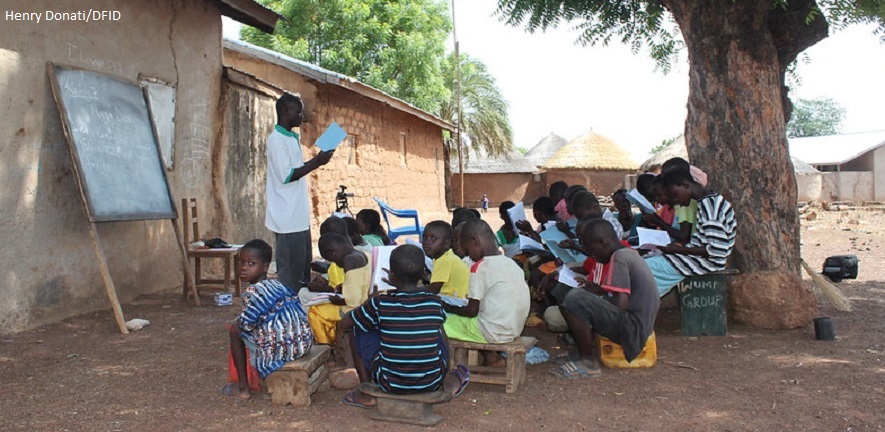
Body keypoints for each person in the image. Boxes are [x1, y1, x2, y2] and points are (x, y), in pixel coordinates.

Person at [339, 245, 470, 407]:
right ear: (423, 273)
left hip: (389, 382)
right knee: (437, 327)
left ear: (391, 275)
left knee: (357, 326)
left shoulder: (380, 303)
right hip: (431, 381)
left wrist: (368, 302)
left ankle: (366, 392)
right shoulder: (434, 302)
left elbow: (344, 324)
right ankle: (445, 379)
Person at [550, 219, 659, 378]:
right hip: (634, 322)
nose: (593, 256)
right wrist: (597, 292)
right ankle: (579, 350)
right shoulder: (627, 254)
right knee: (570, 293)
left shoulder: (620, 257)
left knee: (576, 298)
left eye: (593, 252)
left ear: (604, 243)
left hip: (633, 329)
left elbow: (619, 305)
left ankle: (588, 362)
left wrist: (595, 298)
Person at [222, 239, 313, 399]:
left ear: (264, 267)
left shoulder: (254, 292)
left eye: (251, 263)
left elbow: (246, 323)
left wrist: (240, 322)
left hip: (284, 350)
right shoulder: (277, 285)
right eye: (241, 262)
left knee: (235, 331)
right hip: (302, 344)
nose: (244, 267)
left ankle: (243, 388)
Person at [265, 94, 334, 292]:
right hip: (287, 217)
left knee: (302, 269)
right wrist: (316, 162)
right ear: (286, 112)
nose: (301, 116)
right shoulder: (277, 140)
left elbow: (294, 169)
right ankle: (289, 311)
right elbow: (287, 175)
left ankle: (300, 308)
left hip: (298, 215)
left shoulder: (291, 138)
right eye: (298, 111)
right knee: (290, 273)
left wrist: (318, 160)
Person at [443, 220, 531, 367]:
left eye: (468, 251)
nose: (469, 257)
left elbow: (471, 311)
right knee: (483, 318)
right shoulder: (511, 263)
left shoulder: (480, 267)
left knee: (439, 321)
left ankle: (445, 368)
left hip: (491, 332)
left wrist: (447, 307)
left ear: (475, 241)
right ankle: (491, 358)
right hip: (514, 329)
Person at [645, 168, 736, 297]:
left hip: (707, 263)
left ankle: (641, 308)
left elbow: (716, 252)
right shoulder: (709, 201)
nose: (675, 200)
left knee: (645, 269)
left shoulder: (709, 207)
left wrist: (678, 251)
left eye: (675, 195)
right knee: (648, 260)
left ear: (686, 185)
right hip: (697, 257)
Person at [307, 233, 371, 344]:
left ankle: (326, 344)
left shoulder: (348, 261)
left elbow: (353, 302)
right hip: (366, 301)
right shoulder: (362, 254)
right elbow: (359, 282)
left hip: (353, 310)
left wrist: (338, 300)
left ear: (333, 253)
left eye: (333, 261)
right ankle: (333, 338)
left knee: (314, 311)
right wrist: (344, 286)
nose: (336, 264)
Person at [422, 220, 470, 298]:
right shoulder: (446, 257)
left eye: (433, 238)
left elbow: (433, 290)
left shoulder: (444, 260)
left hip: (458, 302)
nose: (426, 242)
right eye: (424, 238)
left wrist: (411, 290)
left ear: (446, 244)